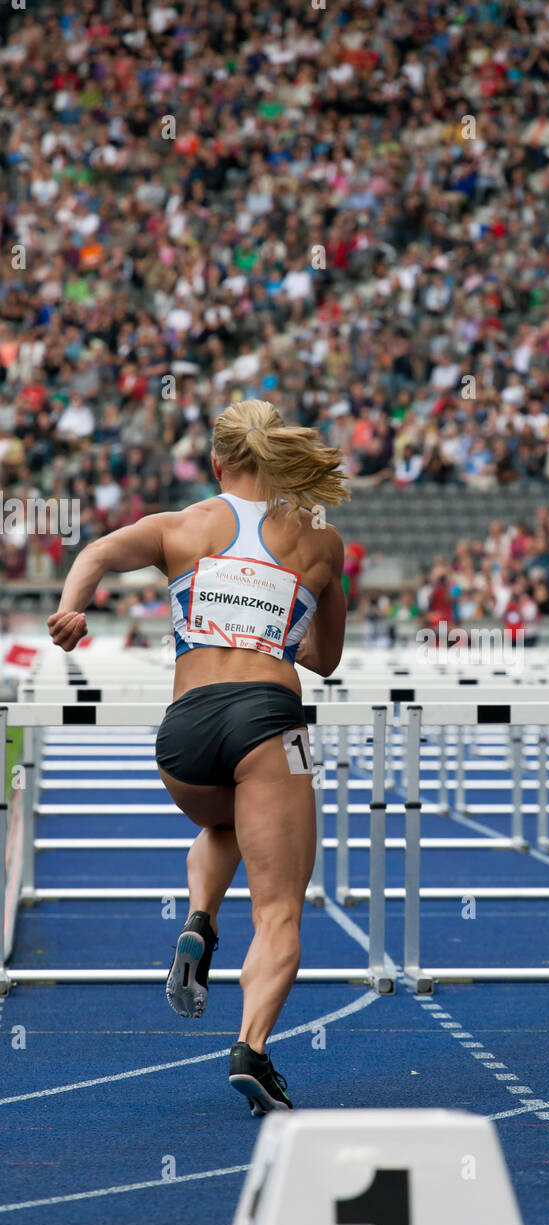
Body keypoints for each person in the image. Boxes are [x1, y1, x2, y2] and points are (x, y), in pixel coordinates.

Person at [48, 400, 349, 1115]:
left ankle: (199, 919)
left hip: (183, 736)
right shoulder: (320, 539)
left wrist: (73, 608)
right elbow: (327, 659)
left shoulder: (182, 526)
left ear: (217, 463)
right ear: (278, 463)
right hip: (270, 722)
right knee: (280, 911)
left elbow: (93, 552)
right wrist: (284, 624)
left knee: (225, 825)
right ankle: (252, 1049)